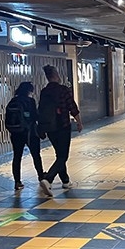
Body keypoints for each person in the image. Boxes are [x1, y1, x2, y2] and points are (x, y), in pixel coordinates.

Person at [37, 64, 83, 197]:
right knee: (63, 156)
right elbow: (72, 106)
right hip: (62, 126)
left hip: (50, 127)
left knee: (59, 153)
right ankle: (48, 179)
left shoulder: (44, 91)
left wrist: (42, 127)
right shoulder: (63, 90)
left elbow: (40, 110)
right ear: (56, 75)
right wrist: (79, 122)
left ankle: (65, 180)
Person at [6, 81, 44, 190]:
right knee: (36, 155)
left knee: (17, 157)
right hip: (30, 132)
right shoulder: (30, 101)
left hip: (15, 134)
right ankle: (41, 177)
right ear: (29, 91)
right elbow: (35, 116)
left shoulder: (12, 101)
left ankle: (17, 182)